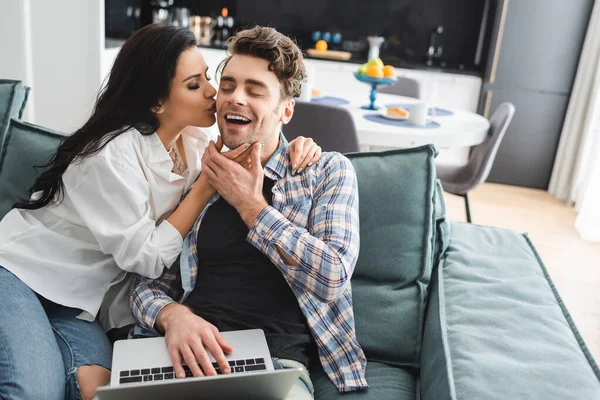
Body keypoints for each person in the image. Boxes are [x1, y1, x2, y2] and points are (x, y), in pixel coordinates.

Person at [0, 24, 321, 400]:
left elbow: (261, 139)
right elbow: (147, 257)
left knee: (96, 392)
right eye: (194, 84)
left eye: (206, 77)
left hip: (79, 303)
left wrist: (300, 144)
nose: (214, 92)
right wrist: (203, 190)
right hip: (22, 275)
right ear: (157, 102)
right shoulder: (111, 156)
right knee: (31, 391)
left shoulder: (196, 141)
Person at [130, 26, 369, 400]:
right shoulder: (196, 172)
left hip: (273, 368)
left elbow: (332, 277)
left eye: (255, 91)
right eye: (226, 86)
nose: (234, 99)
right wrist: (173, 316)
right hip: (181, 359)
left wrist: (252, 207)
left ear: (285, 110)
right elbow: (146, 281)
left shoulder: (324, 172)